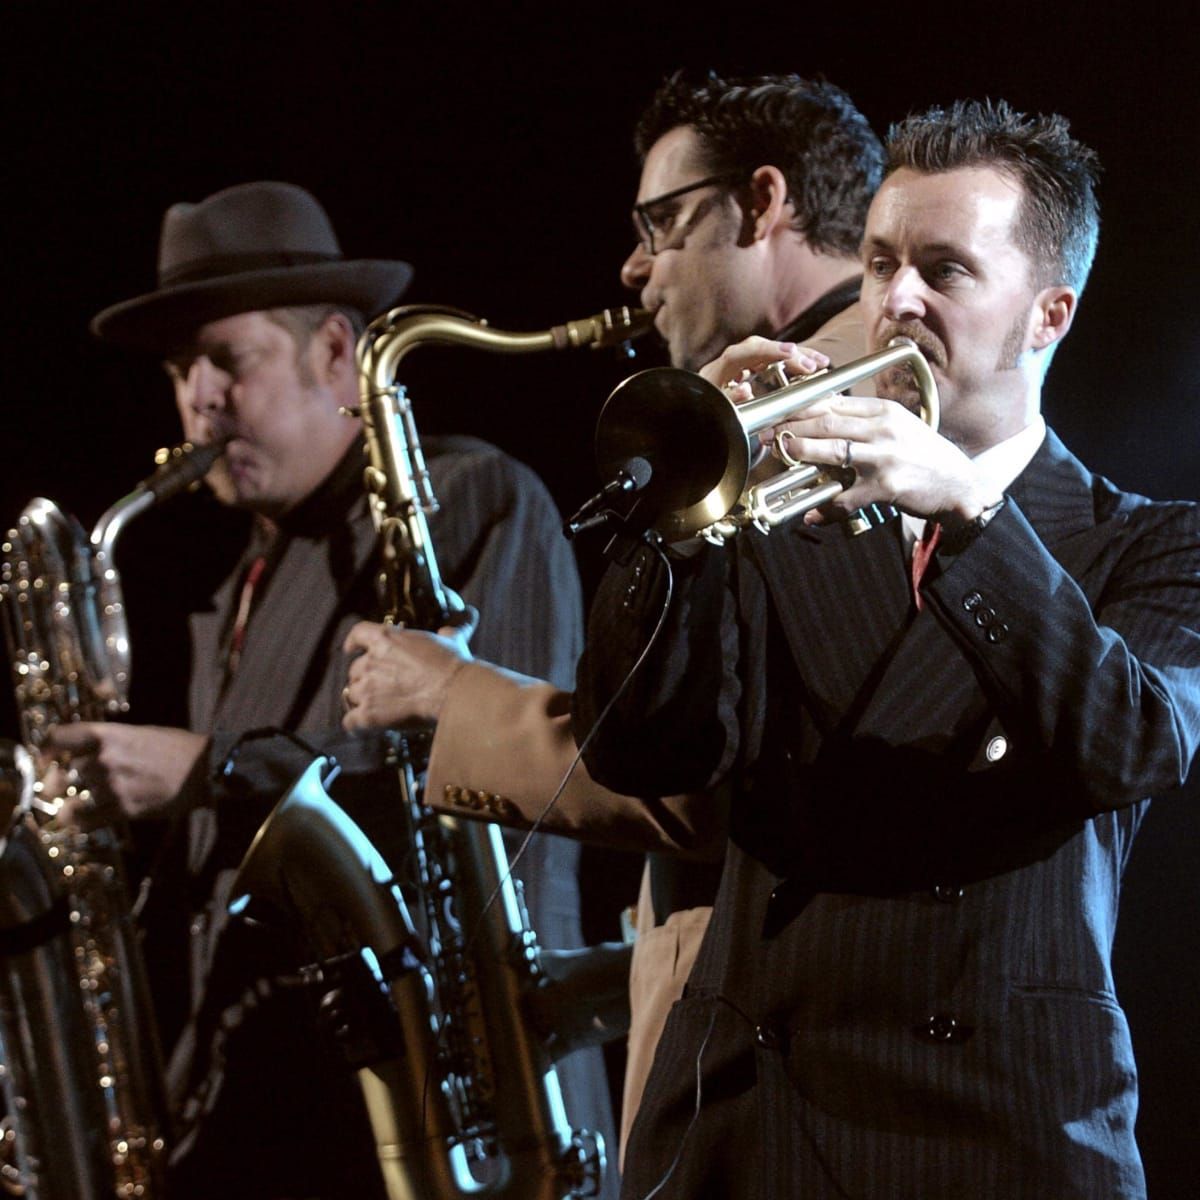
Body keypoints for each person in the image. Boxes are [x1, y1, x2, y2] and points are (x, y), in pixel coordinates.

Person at [571, 99, 1200, 1198]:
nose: (894, 300)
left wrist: (970, 515)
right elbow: (643, 751)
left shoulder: (1150, 543)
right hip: (751, 1127)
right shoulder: (777, 513)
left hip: (994, 1131)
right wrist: (682, 525)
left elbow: (1132, 738)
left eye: (945, 270)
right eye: (878, 262)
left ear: (1049, 315)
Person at [340, 71, 885, 1159]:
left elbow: (713, 784)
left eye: (661, 224)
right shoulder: (776, 409)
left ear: (763, 202)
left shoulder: (840, 420)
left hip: (784, 1075)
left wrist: (454, 695)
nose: (633, 269)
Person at [52, 180, 616, 1199]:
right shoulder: (240, 583)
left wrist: (212, 772)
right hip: (270, 1112)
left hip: (472, 1111)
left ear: (335, 355)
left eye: (228, 358)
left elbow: (514, 804)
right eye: (183, 371)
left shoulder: (474, 499)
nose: (199, 399)